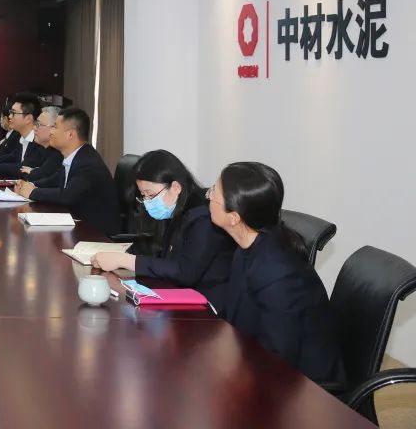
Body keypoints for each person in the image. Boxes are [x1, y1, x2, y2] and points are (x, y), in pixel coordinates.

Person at [209, 162, 345, 385]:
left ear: (234, 217)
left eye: (214, 191)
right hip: (256, 362)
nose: (209, 195)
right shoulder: (248, 247)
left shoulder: (278, 271)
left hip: (304, 387)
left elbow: (278, 356)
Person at [92, 150, 234, 311]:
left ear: (175, 187)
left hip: (208, 306)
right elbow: (166, 258)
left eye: (150, 195)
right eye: (143, 195)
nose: (147, 202)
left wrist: (126, 261)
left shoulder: (202, 218)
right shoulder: (177, 209)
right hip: (180, 294)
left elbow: (185, 272)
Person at [14, 108, 120, 235]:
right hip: (79, 228)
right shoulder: (76, 157)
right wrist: (30, 185)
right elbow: (55, 179)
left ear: (70, 135)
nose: (51, 131)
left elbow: (68, 195)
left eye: (55, 127)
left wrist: (32, 192)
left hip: (96, 235)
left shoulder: (87, 163)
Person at [0, 92, 45, 175]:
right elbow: (12, 157)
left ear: (28, 118)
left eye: (13, 113)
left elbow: (24, 167)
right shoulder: (23, 138)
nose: (9, 116)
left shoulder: (40, 141)